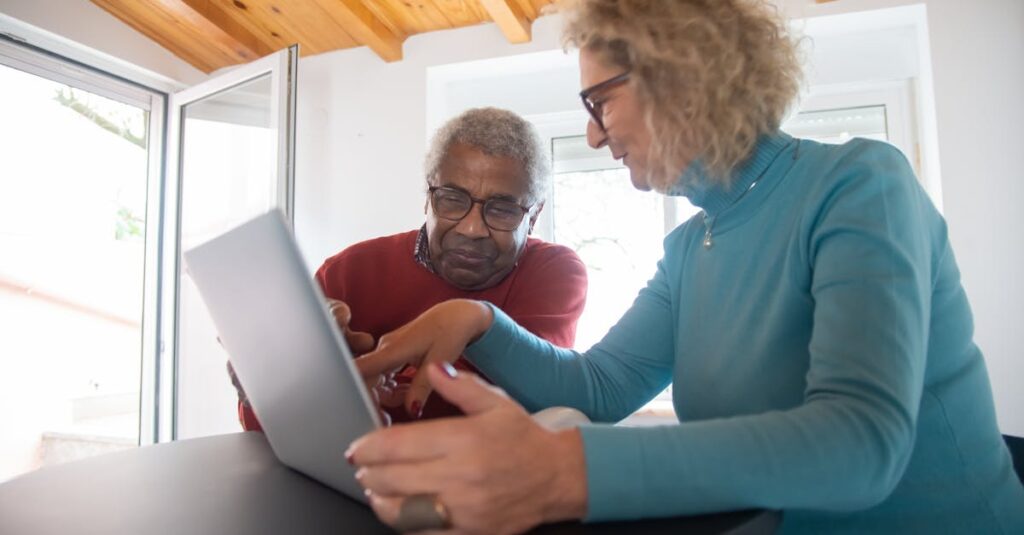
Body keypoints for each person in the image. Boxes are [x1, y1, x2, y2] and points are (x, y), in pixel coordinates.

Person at [347, 0, 1024, 533]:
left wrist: (564, 471)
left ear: (683, 75)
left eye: (600, 100)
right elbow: (600, 388)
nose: (592, 132)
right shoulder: (688, 248)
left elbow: (860, 444)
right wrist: (477, 318)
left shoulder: (860, 185)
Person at [232, 107, 588, 429]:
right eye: (452, 199)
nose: (472, 228)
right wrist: (263, 382)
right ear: (427, 198)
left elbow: (527, 398)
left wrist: (345, 387)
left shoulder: (553, 273)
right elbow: (266, 430)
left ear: (535, 215)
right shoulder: (348, 272)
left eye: (503, 210)